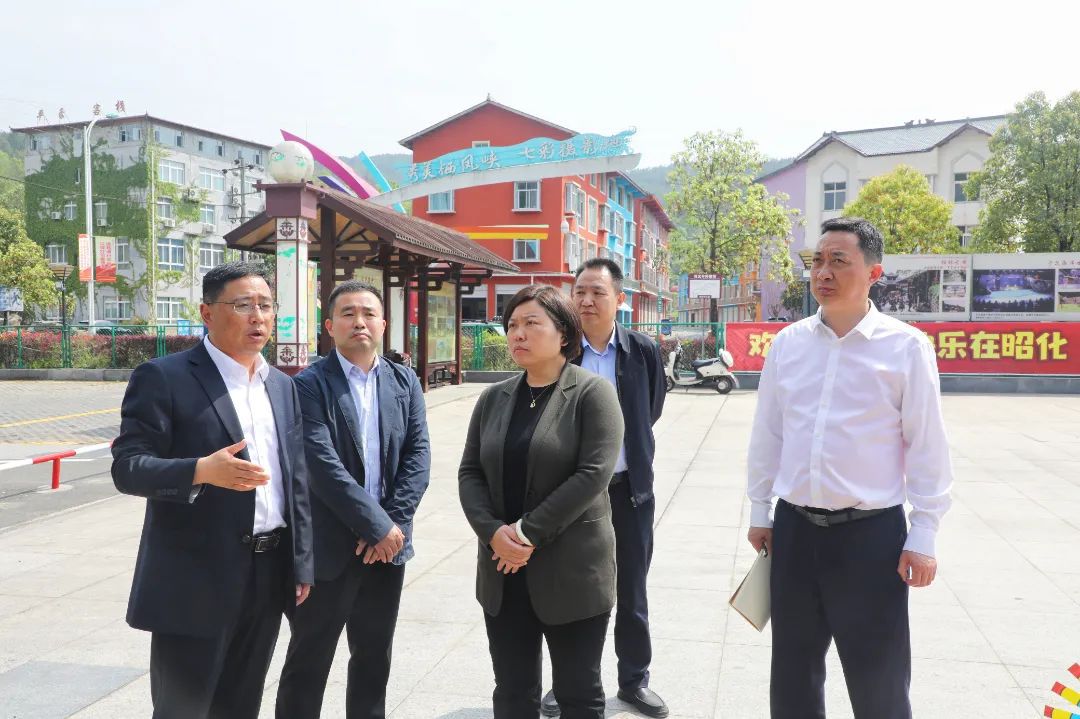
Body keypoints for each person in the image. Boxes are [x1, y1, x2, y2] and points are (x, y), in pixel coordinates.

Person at [746, 217, 953, 719]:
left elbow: (926, 444)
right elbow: (768, 434)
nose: (824, 272)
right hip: (794, 532)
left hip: (871, 538)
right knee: (792, 679)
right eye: (817, 261)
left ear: (874, 272)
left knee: (879, 683)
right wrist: (759, 509)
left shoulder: (906, 347)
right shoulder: (789, 343)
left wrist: (924, 532)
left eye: (839, 261)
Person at [111, 261, 314, 719]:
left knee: (241, 705)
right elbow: (128, 468)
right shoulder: (165, 377)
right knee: (183, 709)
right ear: (207, 313)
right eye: (242, 305)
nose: (258, 317)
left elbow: (296, 480)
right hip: (194, 578)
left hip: (268, 572)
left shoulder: (282, 386)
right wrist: (200, 470)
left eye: (266, 305)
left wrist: (301, 562)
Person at [459, 284, 624, 719]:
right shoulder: (493, 398)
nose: (518, 334)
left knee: (578, 693)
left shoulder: (592, 393)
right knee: (513, 691)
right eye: (512, 324)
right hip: (503, 570)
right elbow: (470, 472)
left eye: (532, 323)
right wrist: (493, 533)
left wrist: (525, 533)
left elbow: (593, 475)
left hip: (571, 571)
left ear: (563, 332)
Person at [276, 279, 431, 719]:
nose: (359, 321)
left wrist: (391, 526)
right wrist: (376, 526)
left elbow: (418, 456)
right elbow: (321, 466)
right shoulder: (308, 385)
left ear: (383, 323)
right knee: (310, 657)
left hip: (388, 548)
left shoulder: (404, 380)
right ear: (329, 326)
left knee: (374, 655)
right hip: (330, 547)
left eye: (368, 313)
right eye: (347, 313)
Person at [539, 258, 667, 718]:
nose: (587, 300)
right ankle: (569, 683)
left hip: (630, 491)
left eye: (597, 292)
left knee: (632, 590)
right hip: (573, 495)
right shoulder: (559, 352)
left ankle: (634, 681)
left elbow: (651, 409)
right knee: (573, 592)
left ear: (619, 299)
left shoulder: (642, 351)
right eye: (580, 291)